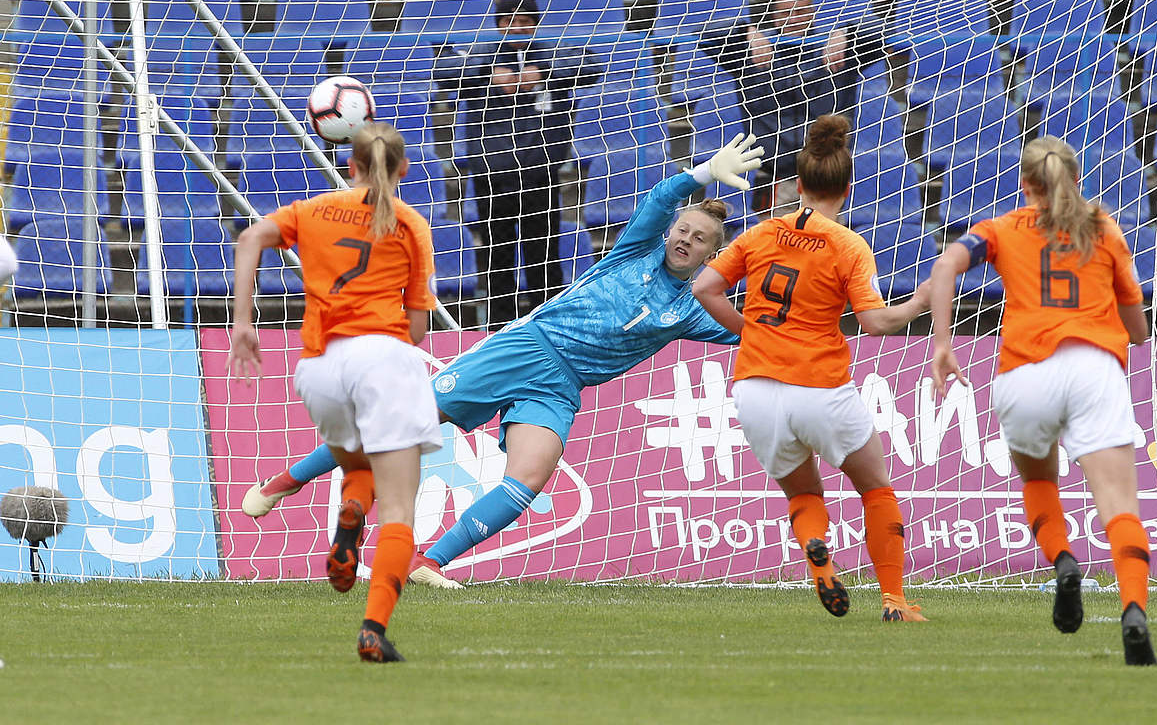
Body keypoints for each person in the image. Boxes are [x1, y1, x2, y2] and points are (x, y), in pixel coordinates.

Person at [241, 135, 766, 588]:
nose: (685, 240)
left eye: (699, 240)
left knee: (529, 478)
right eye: (683, 231)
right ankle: (284, 482)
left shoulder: (694, 308)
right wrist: (701, 173)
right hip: (527, 347)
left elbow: (757, 335)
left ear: (710, 257)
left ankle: (427, 561)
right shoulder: (637, 250)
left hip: (562, 385)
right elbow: (658, 199)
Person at [926, 135, 1157, 665]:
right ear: (1074, 179)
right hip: (1093, 367)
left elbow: (944, 267)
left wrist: (942, 344)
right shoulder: (1103, 230)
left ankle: (1062, 561)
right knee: (1119, 507)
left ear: (1025, 184)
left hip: (1025, 371)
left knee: (1037, 480)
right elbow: (1138, 327)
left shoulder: (1001, 229)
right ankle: (1133, 612)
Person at [692, 115, 931, 622]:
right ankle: (893, 599)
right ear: (845, 189)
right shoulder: (847, 245)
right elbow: (872, 322)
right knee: (875, 487)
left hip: (755, 387)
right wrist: (916, 305)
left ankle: (818, 556)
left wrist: (748, 330)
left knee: (803, 492)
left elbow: (703, 288)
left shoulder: (760, 234)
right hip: (819, 385)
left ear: (797, 185)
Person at [228, 124, 441, 663]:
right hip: (382, 358)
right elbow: (416, 330)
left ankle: (350, 507)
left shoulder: (313, 210)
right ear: (403, 170)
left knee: (359, 467)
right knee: (398, 508)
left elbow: (249, 237)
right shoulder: (411, 224)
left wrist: (244, 323)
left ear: (351, 166)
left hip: (319, 367)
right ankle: (373, 628)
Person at [436, 0, 604, 328]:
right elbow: (444, 70)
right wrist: (488, 71)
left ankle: (550, 326)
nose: (517, 29)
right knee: (496, 259)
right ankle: (499, 329)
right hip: (491, 178)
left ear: (536, 23)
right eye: (509, 22)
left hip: (540, 175)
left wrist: (544, 72)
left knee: (543, 258)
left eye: (525, 22)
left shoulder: (551, 52)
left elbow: (591, 66)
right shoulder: (483, 52)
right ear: (498, 24)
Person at [697, 0, 886, 217]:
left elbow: (885, 31)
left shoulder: (839, 50)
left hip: (825, 176)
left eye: (801, 11)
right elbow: (704, 34)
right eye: (786, 12)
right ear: (774, 17)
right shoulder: (750, 52)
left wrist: (845, 32)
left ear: (813, 13)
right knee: (776, 250)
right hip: (774, 177)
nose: (794, 18)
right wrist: (746, 30)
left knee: (822, 250)